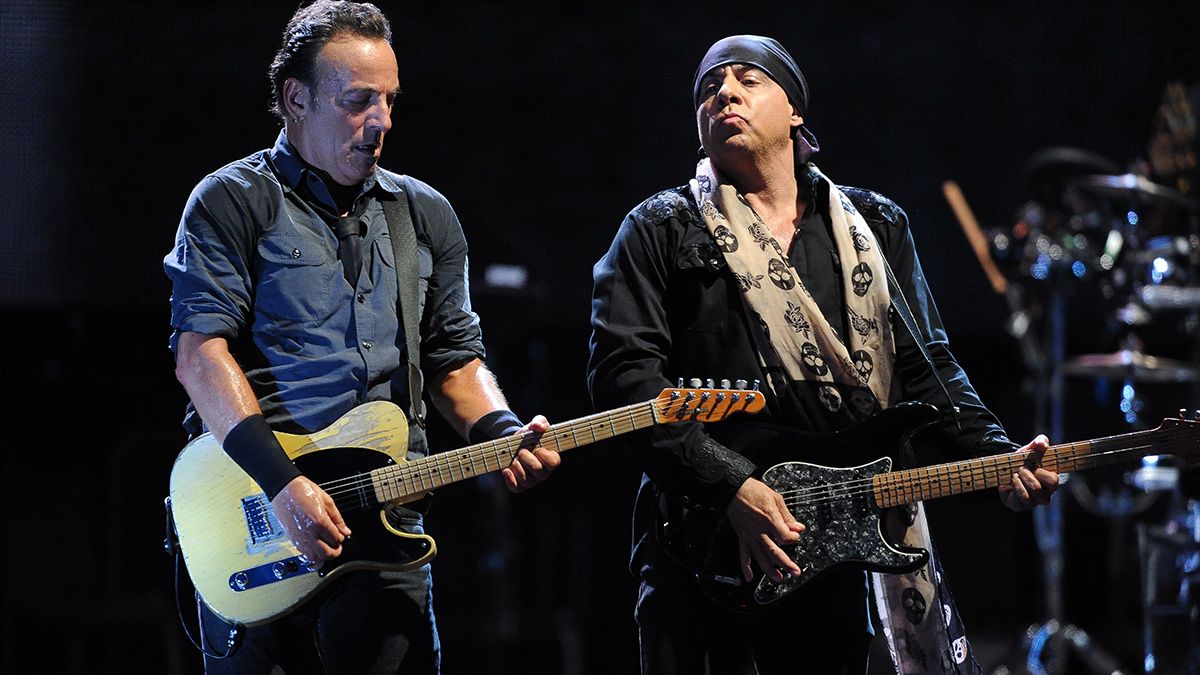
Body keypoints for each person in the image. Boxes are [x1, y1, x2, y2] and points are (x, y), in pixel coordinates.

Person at [587, 35, 1059, 674]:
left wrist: (996, 458)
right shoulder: (659, 228)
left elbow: (927, 368)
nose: (723, 93)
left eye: (748, 80)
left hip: (833, 543)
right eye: (708, 88)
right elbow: (625, 380)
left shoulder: (875, 225)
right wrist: (731, 485)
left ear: (796, 110)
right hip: (699, 547)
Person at [164, 2, 559, 672]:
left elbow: (455, 357)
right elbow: (201, 357)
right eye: (356, 101)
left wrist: (498, 428)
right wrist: (285, 486)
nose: (380, 123)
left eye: (388, 101)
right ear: (295, 99)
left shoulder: (425, 214)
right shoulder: (230, 199)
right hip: (257, 514)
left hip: (387, 527)